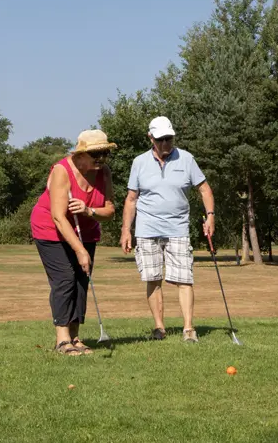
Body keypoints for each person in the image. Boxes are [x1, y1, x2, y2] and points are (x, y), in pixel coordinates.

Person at [120, 116, 215, 343]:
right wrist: (126, 230)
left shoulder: (186, 159)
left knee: (185, 278)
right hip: (147, 229)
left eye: (169, 138)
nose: (166, 143)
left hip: (178, 228)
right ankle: (159, 328)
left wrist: (210, 216)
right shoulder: (139, 162)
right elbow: (131, 199)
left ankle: (189, 329)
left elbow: (204, 190)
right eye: (161, 139)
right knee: (152, 278)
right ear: (150, 138)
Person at [30, 129, 117, 356]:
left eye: (104, 154)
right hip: (50, 229)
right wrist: (79, 250)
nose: (101, 160)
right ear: (80, 155)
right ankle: (62, 339)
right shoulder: (62, 171)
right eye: (95, 155)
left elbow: (109, 211)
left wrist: (89, 211)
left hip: (86, 231)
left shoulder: (103, 172)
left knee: (81, 280)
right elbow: (58, 216)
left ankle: (76, 337)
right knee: (65, 278)